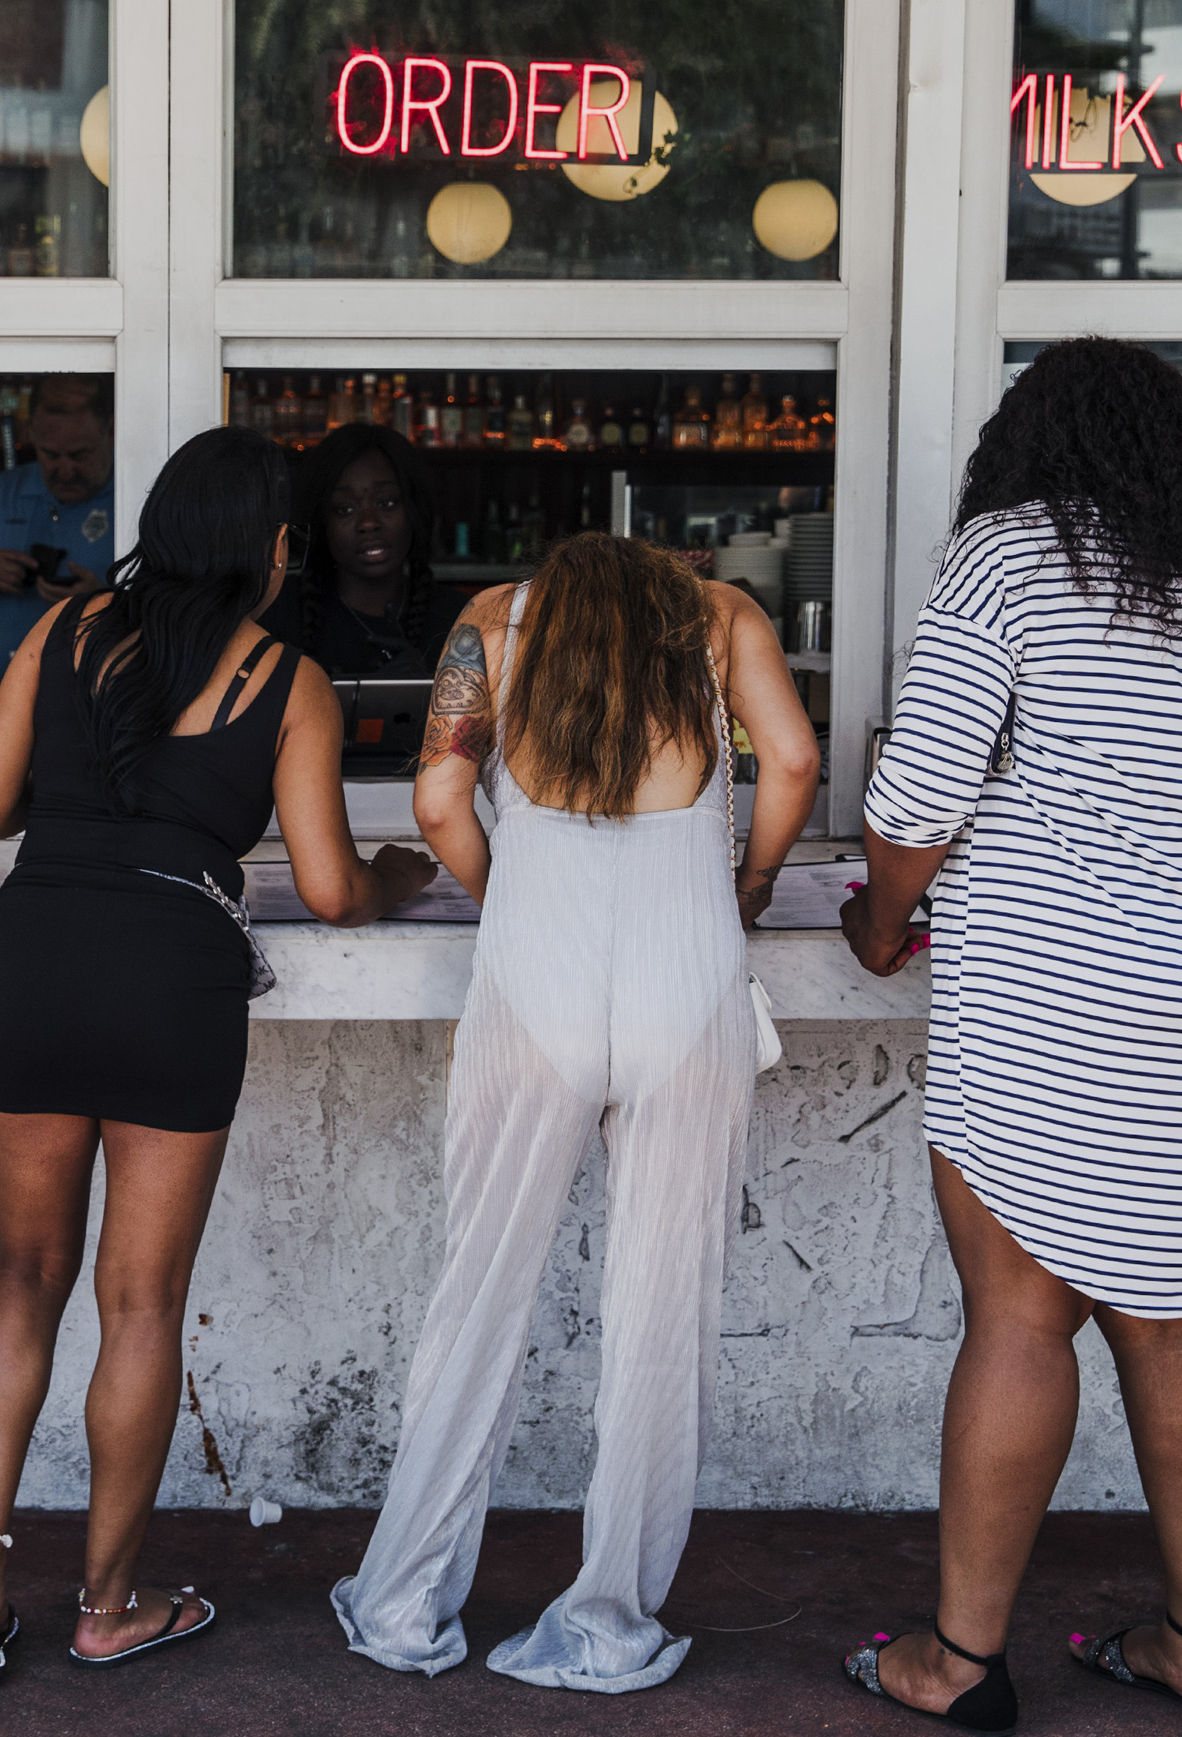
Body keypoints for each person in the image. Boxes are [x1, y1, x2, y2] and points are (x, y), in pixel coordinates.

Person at [838, 336, 1182, 1732]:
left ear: (1035, 449)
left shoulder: (1014, 553)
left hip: (1041, 984)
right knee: (1179, 1309)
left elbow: (914, 803)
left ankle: (957, 1664)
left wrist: (880, 919)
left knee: (1021, 1313)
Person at [0, 426, 437, 1679]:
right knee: (139, 1301)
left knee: (22, 1271)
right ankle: (107, 1607)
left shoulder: (63, 634)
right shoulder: (291, 675)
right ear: (275, 547)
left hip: (37, 959)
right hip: (173, 984)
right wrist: (391, 879)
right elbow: (327, 890)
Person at [333, 531, 819, 1693]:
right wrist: (749, 882)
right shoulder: (723, 617)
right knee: (662, 1314)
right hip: (689, 973)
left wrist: (511, 900)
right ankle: (606, 1620)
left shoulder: (494, 622)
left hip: (533, 975)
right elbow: (793, 762)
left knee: (480, 1290)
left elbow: (439, 797)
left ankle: (405, 1601)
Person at [0, 374, 118, 689]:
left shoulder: (138, 494)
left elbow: (174, 616)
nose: (65, 470)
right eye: (51, 455)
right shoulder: (4, 493)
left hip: (107, 705)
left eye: (80, 455)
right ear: (31, 436)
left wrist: (101, 606)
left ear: (110, 431)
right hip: (12, 702)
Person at [256, 422, 448, 680]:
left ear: (414, 510)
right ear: (322, 521)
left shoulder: (458, 619)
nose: (368, 523)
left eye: (386, 503)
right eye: (345, 509)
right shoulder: (276, 611)